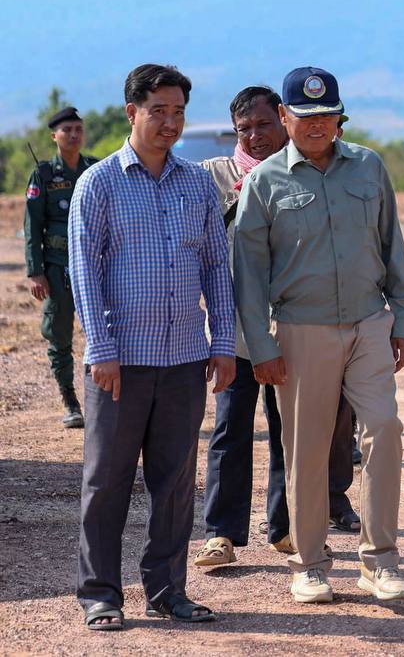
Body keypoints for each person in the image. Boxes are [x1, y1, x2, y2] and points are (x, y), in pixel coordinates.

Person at [234, 67, 404, 603]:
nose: (317, 125)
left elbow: (392, 245)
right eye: (305, 115)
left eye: (327, 115)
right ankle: (310, 564)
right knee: (306, 450)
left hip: (369, 323)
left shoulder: (368, 166)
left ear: (340, 118)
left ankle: (380, 562)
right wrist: (261, 347)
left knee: (384, 429)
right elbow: (249, 276)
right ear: (285, 117)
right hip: (301, 330)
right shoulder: (266, 182)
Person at [69, 64, 236, 630]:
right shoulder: (99, 183)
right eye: (158, 111)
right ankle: (100, 594)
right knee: (106, 483)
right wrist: (101, 348)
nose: (170, 123)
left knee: (175, 484)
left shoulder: (197, 184)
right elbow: (84, 272)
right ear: (131, 113)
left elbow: (215, 267)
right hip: (120, 364)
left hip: (185, 358)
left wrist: (223, 341)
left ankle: (167, 591)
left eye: (178, 112)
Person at [194, 86, 360, 571]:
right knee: (230, 429)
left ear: (284, 121)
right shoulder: (213, 177)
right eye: (244, 128)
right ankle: (221, 534)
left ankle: (287, 529)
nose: (254, 136)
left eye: (263, 124)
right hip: (236, 332)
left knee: (292, 431)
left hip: (294, 327)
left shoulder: (305, 173)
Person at [24, 106, 98, 428]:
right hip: (58, 268)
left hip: (94, 266)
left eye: (78, 129)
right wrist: (35, 271)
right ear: (54, 136)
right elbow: (32, 225)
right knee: (59, 335)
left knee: (105, 332)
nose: (73, 135)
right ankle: (70, 400)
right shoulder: (43, 175)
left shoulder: (95, 169)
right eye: (67, 130)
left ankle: (103, 399)